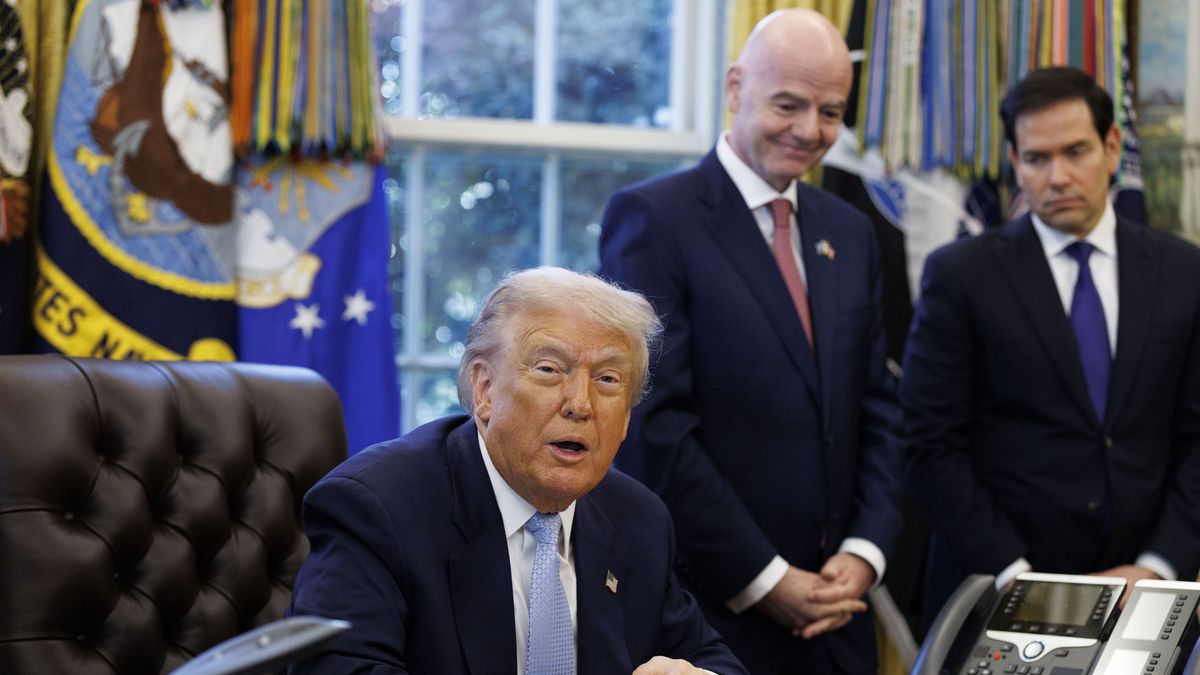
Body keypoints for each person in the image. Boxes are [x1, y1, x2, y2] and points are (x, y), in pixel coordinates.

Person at [598, 9, 903, 674]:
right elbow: (654, 428)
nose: (810, 130)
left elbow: (880, 408)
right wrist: (766, 578)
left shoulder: (851, 231)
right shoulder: (654, 219)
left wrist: (865, 552)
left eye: (830, 111)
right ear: (736, 88)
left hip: (841, 617)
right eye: (788, 104)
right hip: (712, 617)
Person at [287, 267, 748, 674]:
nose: (581, 404)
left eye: (608, 379)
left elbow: (712, 659)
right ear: (484, 389)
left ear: (627, 418)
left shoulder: (639, 520)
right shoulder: (378, 508)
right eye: (549, 369)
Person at [902, 66, 1200, 627]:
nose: (1057, 177)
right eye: (1037, 158)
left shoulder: (1184, 273)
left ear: (1112, 147)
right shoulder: (962, 275)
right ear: (1014, 162)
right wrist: (1018, 578)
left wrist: (1157, 566)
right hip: (996, 593)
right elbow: (929, 447)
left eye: (1075, 152)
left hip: (1144, 596)